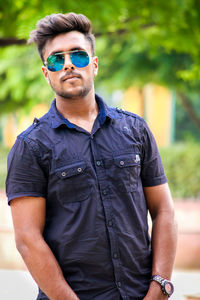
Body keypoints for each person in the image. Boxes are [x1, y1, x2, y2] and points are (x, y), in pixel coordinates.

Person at [6, 12, 177, 300]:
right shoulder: (30, 146)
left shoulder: (135, 129)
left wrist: (160, 286)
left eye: (78, 55)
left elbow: (164, 211)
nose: (69, 64)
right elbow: (27, 239)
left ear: (94, 65)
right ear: (46, 73)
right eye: (56, 59)